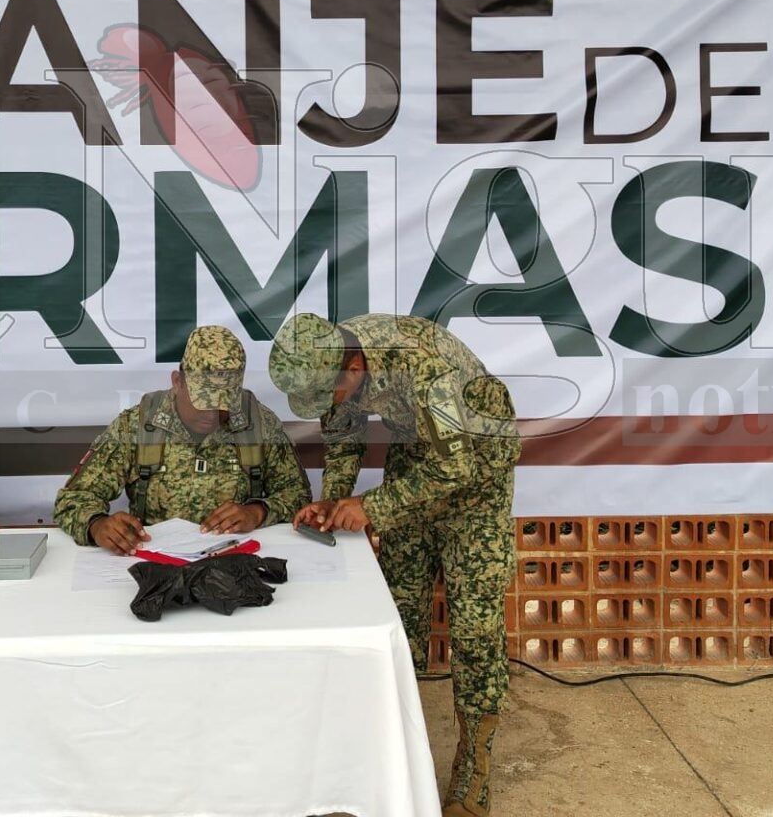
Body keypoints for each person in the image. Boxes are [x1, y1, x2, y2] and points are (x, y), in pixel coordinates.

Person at [268, 313, 519, 817]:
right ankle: (396, 749)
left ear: (354, 368)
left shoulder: (426, 368)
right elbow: (343, 437)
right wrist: (333, 501)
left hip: (477, 480)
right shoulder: (330, 355)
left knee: (475, 627)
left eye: (332, 393)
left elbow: (456, 467)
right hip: (416, 465)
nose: (330, 403)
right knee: (399, 612)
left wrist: (372, 507)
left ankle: (474, 766)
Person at [54, 325, 310, 554]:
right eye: (203, 401)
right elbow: (73, 498)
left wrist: (258, 511)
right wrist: (97, 525)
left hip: (234, 560)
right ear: (178, 382)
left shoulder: (259, 425)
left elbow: (297, 494)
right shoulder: (136, 427)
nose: (211, 414)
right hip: (153, 562)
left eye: (223, 403)